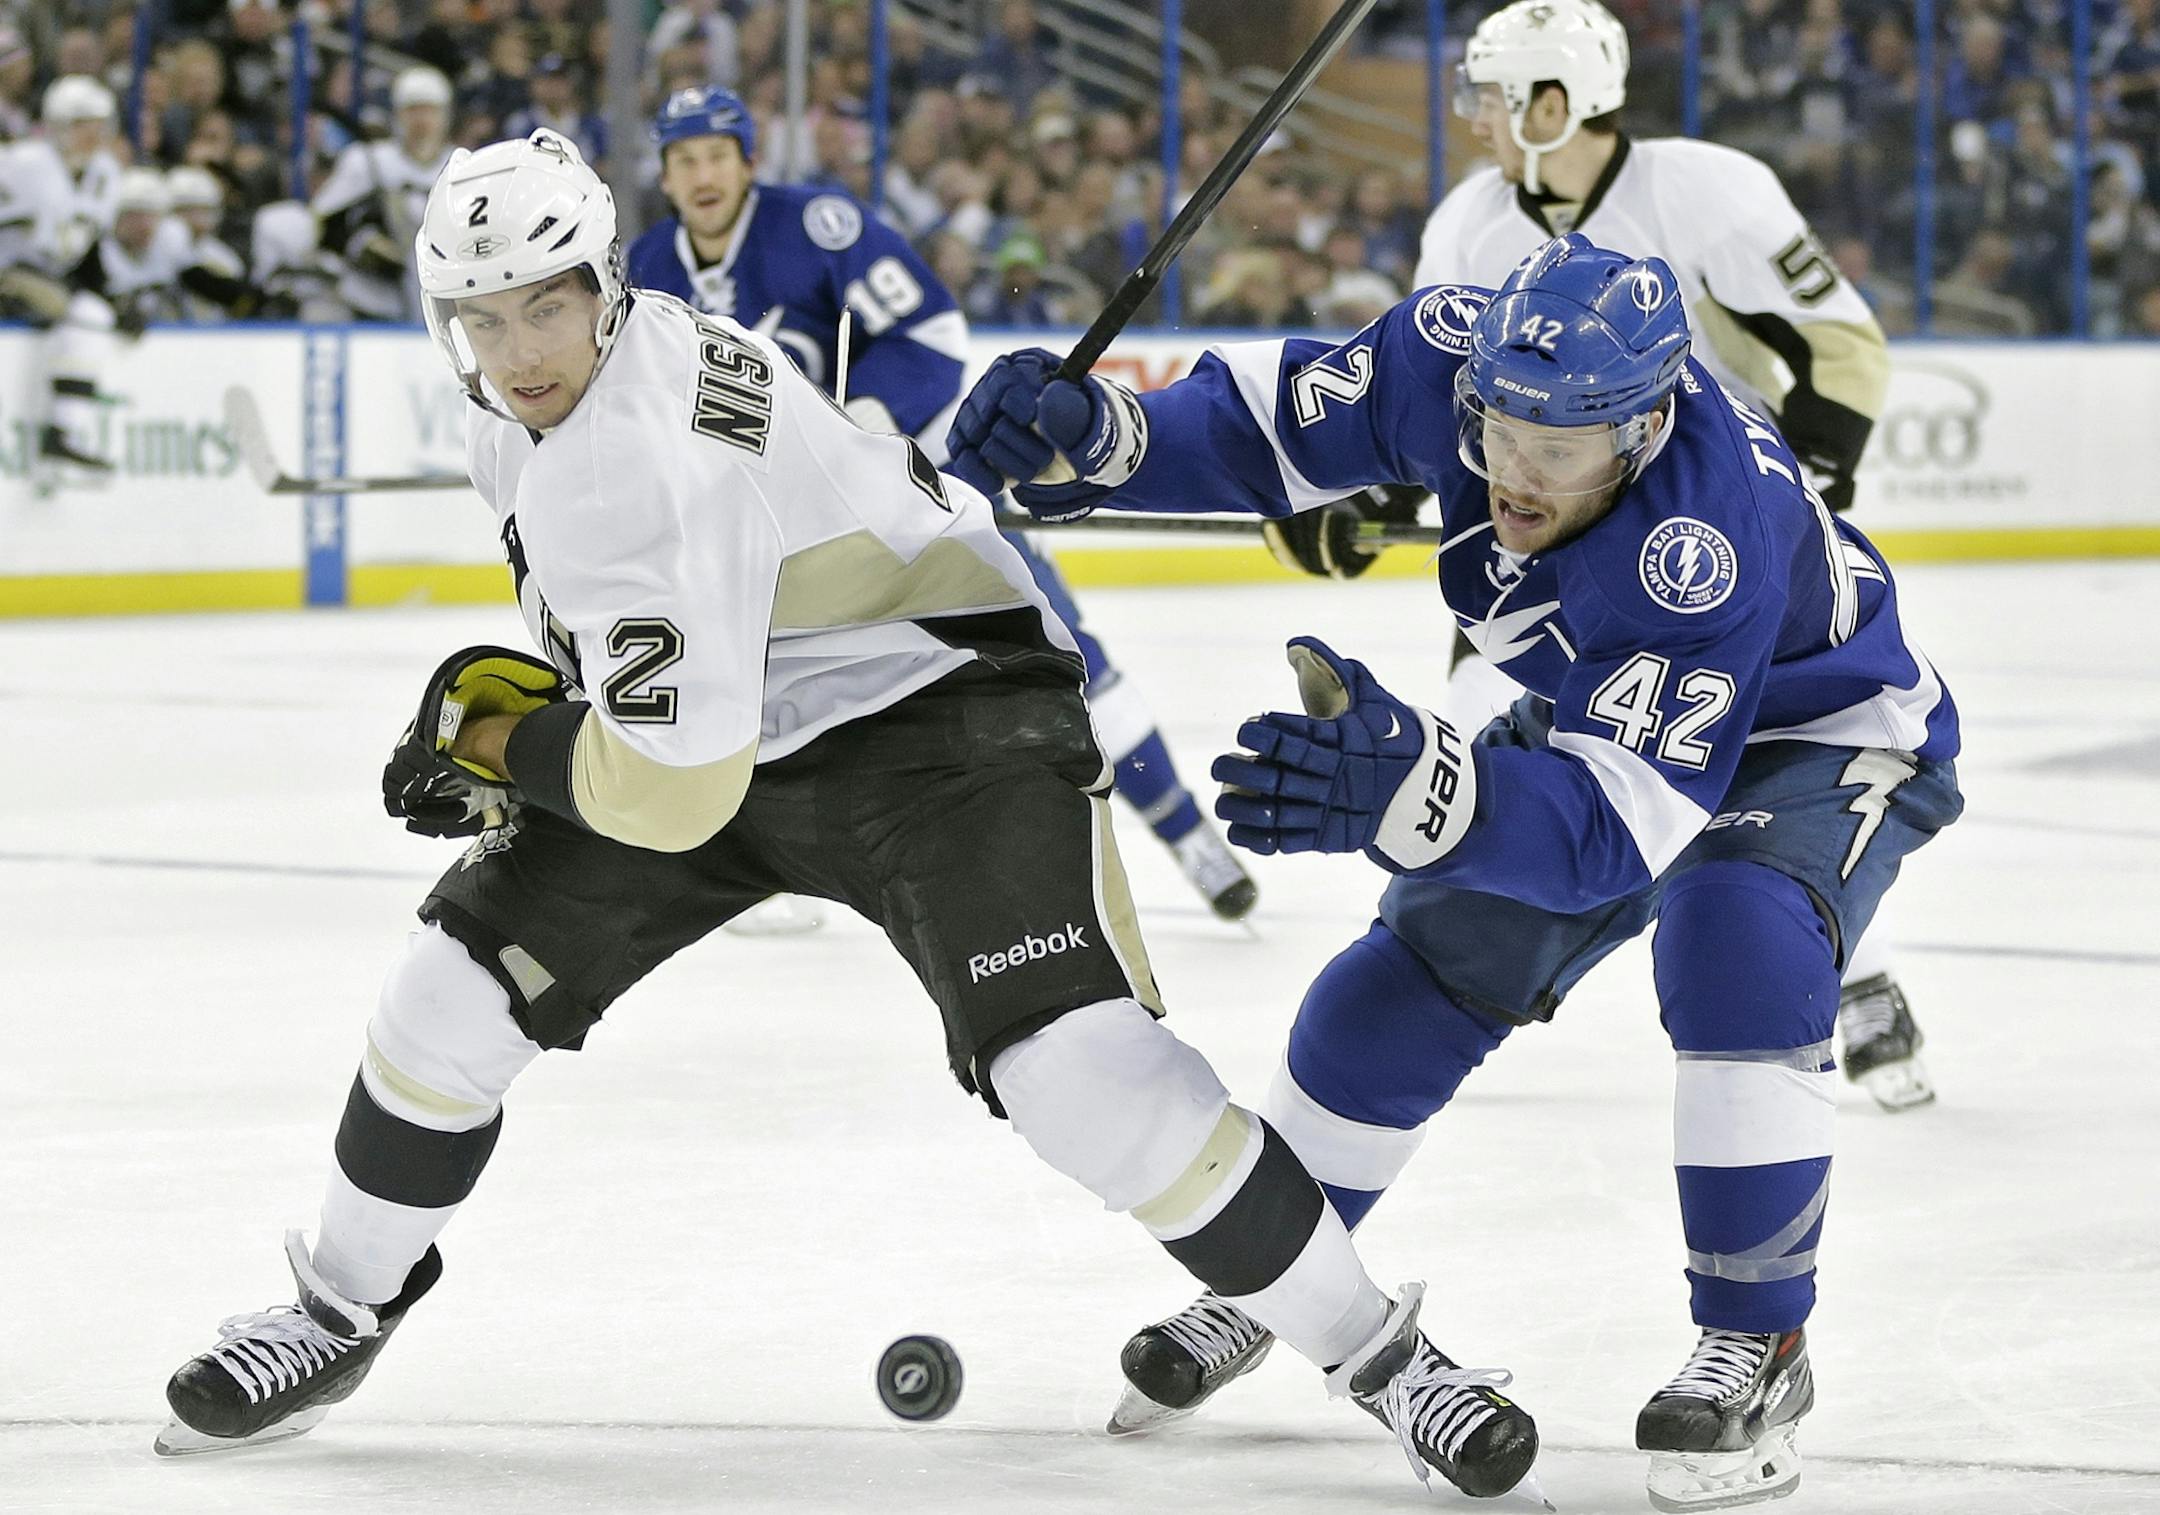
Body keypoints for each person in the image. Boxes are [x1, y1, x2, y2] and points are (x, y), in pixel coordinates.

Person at [153, 132, 1539, 1505]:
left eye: (548, 303)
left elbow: (669, 781)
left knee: (1077, 1073)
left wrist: (502, 738)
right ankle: (338, 1307)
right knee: (449, 994)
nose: (522, 348)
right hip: (729, 716)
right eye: (485, 315)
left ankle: (1388, 1358)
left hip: (935, 715)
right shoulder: (555, 406)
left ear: (606, 287)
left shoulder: (626, 456)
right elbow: (673, 705)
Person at [945, 232, 1962, 1511]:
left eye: (1559, 448)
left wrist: (1417, 793)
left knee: (1732, 931)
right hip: (1610, 715)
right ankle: (1287, 1264)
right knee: (1406, 981)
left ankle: (1762, 1341)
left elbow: (1614, 831)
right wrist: (1103, 436)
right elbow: (1270, 434)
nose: (1510, 472)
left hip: (1812, 735)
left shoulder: (1706, 538)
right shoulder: (1454, 353)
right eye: (1495, 428)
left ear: (1643, 433)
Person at [1267, 0, 1933, 1113]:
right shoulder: (1469, 224)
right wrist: (1346, 493)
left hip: (1712, 560)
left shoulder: (1705, 188)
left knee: (1756, 785)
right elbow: (1425, 392)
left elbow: (1842, 345)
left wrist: (1800, 489)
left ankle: (1850, 969)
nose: (1473, 114)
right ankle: (1445, 963)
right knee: (1490, 734)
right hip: (1543, 541)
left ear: (1554, 101)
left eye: (1493, 93)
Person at [624, 86, 1257, 923]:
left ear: (747, 161)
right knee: (753, 675)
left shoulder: (818, 229)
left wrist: (867, 427)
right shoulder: (648, 273)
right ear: (665, 178)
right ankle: (771, 867)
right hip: (773, 527)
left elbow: (931, 332)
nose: (702, 174)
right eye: (683, 160)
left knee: (1056, 644)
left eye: (716, 155)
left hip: (906, 489)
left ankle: (1183, 831)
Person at [0, 74, 122, 481]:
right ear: (58, 126)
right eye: (82, 124)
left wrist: (119, 298)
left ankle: (65, 430)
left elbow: (89, 249)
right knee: (66, 307)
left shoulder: (104, 173)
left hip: (50, 278)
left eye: (98, 124)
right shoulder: (24, 163)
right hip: (8, 268)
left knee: (95, 314)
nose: (93, 135)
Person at [311, 65, 456, 322]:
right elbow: (324, 222)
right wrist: (360, 243)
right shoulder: (369, 160)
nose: (421, 121)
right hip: (375, 298)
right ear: (397, 115)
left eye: (429, 111)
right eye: (413, 111)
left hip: (447, 288)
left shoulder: (461, 164)